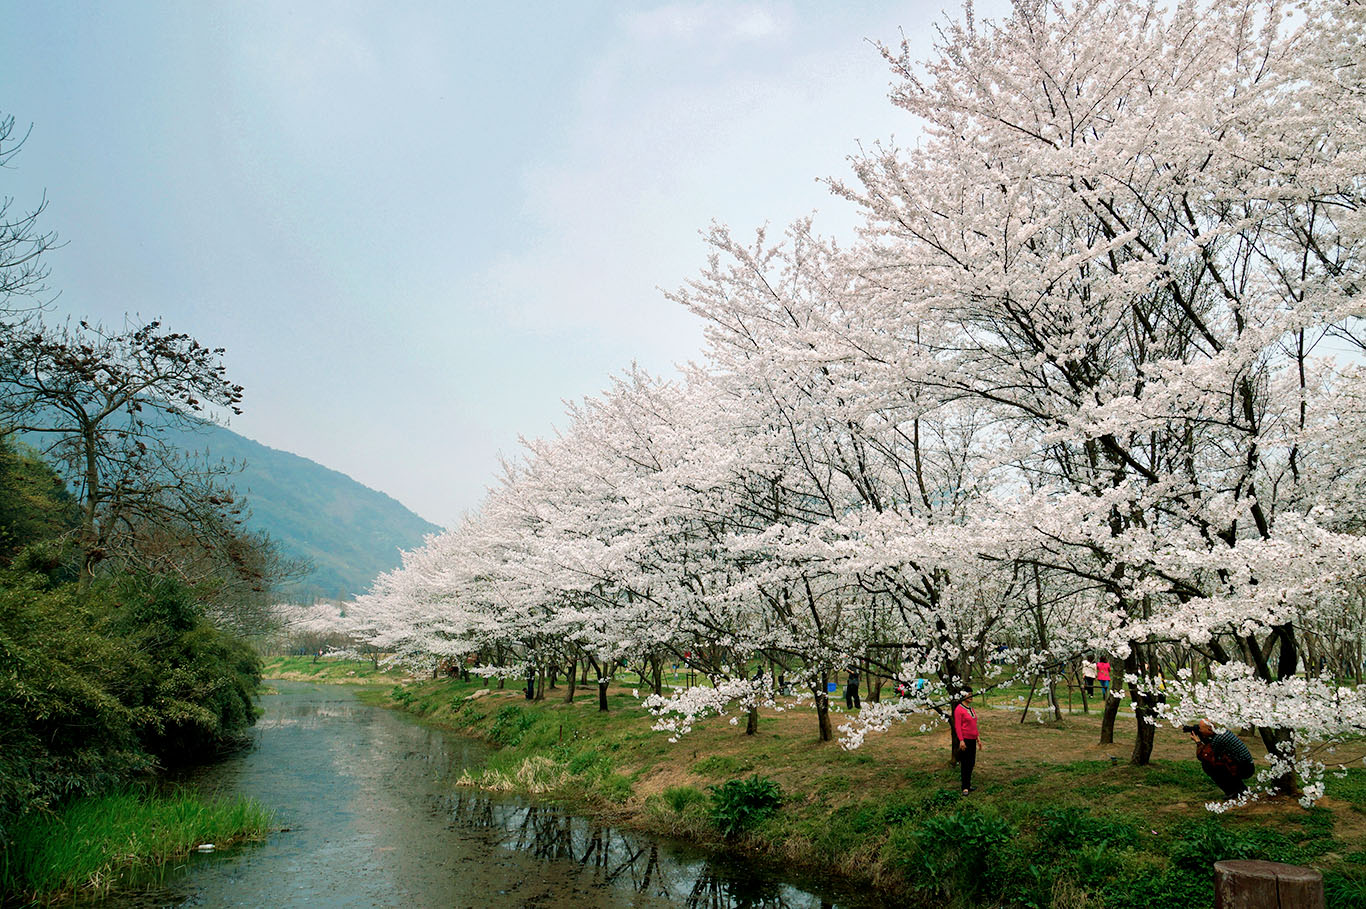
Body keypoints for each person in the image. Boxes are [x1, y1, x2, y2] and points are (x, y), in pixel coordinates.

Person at [1189, 720, 1255, 798]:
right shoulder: (1221, 732)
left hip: (1245, 768)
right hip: (1245, 764)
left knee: (1208, 765)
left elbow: (1204, 756)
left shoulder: (1218, 739)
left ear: (1209, 729)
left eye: (1200, 729)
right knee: (1220, 763)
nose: (1200, 731)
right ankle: (1241, 789)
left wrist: (1198, 742)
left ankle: (1233, 792)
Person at [953, 689, 980, 795]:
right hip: (965, 740)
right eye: (968, 695)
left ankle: (968, 785)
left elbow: (974, 724)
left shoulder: (971, 709)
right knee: (965, 763)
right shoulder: (959, 709)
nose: (971, 697)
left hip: (973, 739)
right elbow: (958, 726)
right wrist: (961, 740)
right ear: (962, 696)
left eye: (971, 695)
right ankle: (964, 787)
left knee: (971, 763)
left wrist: (978, 737)